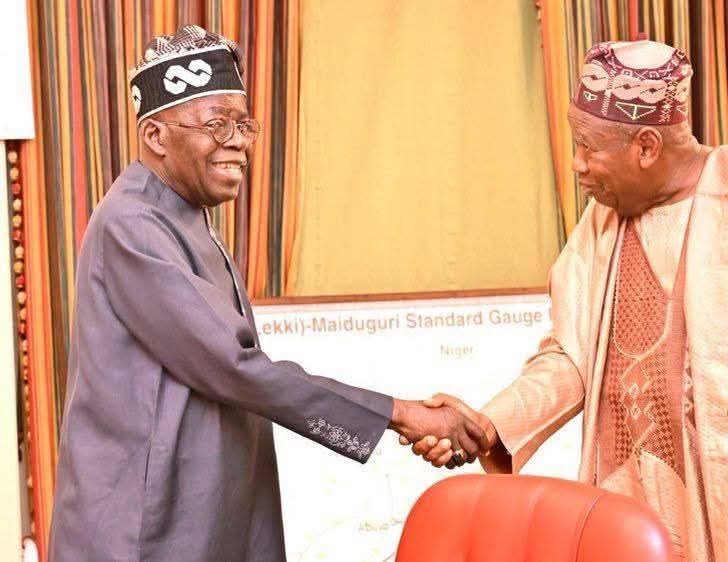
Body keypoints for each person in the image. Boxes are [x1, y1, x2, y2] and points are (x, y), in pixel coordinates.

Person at [406, 39, 728, 561]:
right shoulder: (604, 220)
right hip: (628, 517)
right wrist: (485, 426)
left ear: (645, 146)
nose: (577, 165)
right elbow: (572, 358)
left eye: (588, 147)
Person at [48, 26, 487, 562]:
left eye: (242, 124)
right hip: (145, 529)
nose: (236, 141)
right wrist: (401, 413)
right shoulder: (133, 224)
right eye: (216, 124)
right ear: (156, 137)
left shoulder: (181, 215)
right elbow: (233, 366)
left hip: (206, 512)